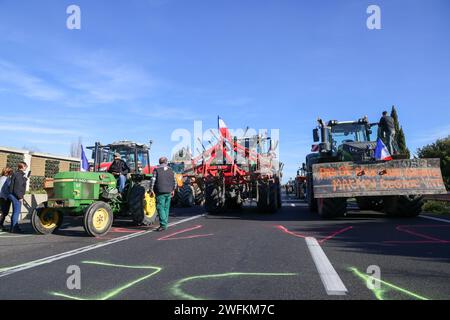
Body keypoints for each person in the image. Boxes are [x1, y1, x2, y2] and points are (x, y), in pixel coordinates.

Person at [150, 157, 176, 232]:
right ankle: (165, 224)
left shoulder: (156, 170)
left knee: (160, 207)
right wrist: (173, 189)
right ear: (166, 162)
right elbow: (174, 180)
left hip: (160, 191)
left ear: (159, 162)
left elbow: (153, 180)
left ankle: (163, 224)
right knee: (166, 208)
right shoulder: (171, 170)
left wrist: (151, 189)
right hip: (169, 191)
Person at [8, 162, 28, 233]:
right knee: (16, 212)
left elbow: (18, 183)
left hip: (12, 195)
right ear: (22, 167)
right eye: (25, 166)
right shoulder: (19, 175)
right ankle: (14, 228)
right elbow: (17, 188)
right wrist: (20, 197)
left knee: (15, 212)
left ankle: (14, 227)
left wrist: (25, 179)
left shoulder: (17, 174)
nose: (26, 167)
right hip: (16, 196)